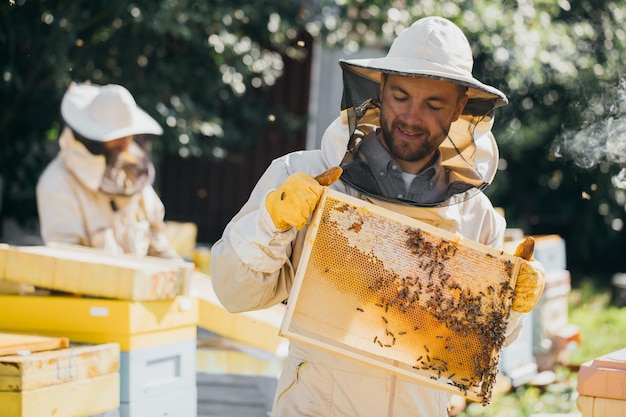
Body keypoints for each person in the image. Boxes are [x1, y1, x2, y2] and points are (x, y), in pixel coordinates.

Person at [210, 16, 545, 416]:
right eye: (401, 96)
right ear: (381, 89)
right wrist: (269, 223)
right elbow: (234, 292)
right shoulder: (303, 178)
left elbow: (477, 346)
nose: (411, 117)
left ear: (459, 108)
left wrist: (510, 307)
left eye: (433, 104)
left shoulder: (478, 218)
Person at [36, 82, 181, 259]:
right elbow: (66, 265)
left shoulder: (129, 176)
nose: (126, 143)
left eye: (128, 134)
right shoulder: (57, 183)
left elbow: (159, 247)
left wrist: (183, 274)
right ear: (90, 136)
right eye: (117, 136)